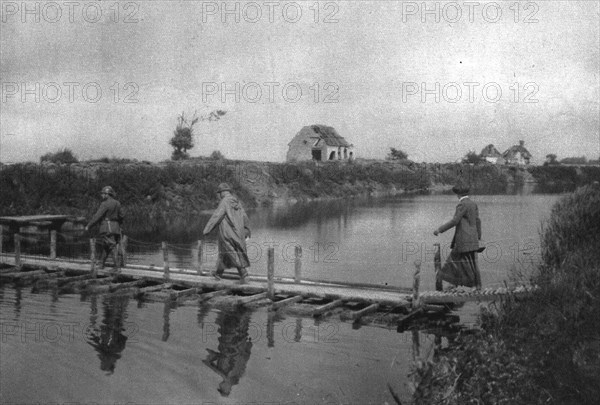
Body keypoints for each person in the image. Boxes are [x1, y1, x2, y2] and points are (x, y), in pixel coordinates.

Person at [433, 181, 482, 289]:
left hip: (463, 240)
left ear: (458, 194)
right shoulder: (473, 204)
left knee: (454, 261)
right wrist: (478, 236)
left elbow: (455, 221)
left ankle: (462, 284)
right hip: (472, 240)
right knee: (470, 262)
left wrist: (439, 230)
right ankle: (473, 285)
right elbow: (478, 221)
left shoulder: (462, 204)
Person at [203, 183, 251, 284]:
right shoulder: (237, 201)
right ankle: (218, 274)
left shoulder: (224, 202)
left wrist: (207, 230)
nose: (218, 195)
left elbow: (217, 216)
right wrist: (247, 230)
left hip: (227, 233)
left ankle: (244, 275)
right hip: (238, 233)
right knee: (225, 253)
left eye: (219, 193)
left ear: (222, 192)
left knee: (231, 253)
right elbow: (244, 216)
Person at [85, 186, 124, 272]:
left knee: (111, 246)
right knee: (106, 246)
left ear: (107, 194)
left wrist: (89, 225)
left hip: (107, 228)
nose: (102, 195)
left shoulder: (105, 204)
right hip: (115, 228)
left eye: (103, 193)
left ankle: (117, 267)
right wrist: (119, 225)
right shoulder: (117, 203)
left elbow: (97, 216)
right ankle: (102, 264)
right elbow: (121, 216)